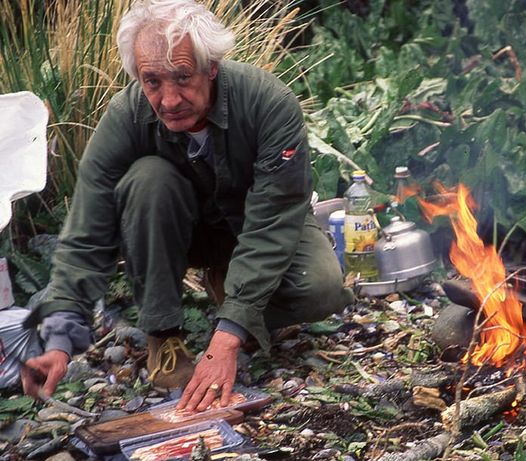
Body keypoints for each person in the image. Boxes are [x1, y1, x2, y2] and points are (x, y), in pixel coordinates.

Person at [21, 0, 352, 413]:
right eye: (152, 81)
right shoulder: (125, 116)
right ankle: (164, 335)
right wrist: (58, 341)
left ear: (211, 67)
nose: (170, 99)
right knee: (148, 178)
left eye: (182, 77)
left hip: (258, 222)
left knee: (320, 289)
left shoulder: (268, 101)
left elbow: (274, 220)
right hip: (182, 230)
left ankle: (234, 295)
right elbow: (86, 229)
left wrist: (226, 339)